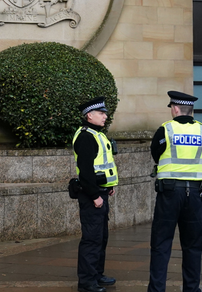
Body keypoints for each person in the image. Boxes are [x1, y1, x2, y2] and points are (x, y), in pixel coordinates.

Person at [147, 90, 202, 292]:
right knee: (192, 245)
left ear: (174, 109)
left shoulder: (165, 130)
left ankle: (157, 289)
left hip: (169, 194)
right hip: (195, 195)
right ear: (190, 110)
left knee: (161, 244)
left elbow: (156, 154)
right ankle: (192, 289)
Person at [71, 96, 118, 292]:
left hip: (101, 193)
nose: (105, 116)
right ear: (89, 115)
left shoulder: (97, 134)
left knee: (100, 238)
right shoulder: (85, 137)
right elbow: (86, 171)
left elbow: (102, 167)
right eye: (101, 113)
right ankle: (87, 282)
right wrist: (94, 196)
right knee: (91, 239)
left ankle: (97, 275)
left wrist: (108, 187)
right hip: (92, 197)